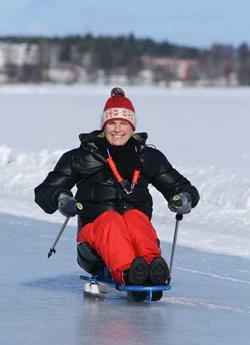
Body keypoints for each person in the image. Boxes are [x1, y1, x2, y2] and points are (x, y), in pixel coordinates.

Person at [34, 87, 199, 300]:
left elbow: (183, 188)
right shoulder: (80, 157)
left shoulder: (148, 157)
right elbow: (45, 191)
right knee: (111, 220)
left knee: (136, 218)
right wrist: (61, 198)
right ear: (104, 126)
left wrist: (183, 198)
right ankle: (130, 274)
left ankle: (153, 269)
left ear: (132, 127)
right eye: (112, 123)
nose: (117, 129)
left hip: (134, 234)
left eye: (124, 123)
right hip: (94, 239)